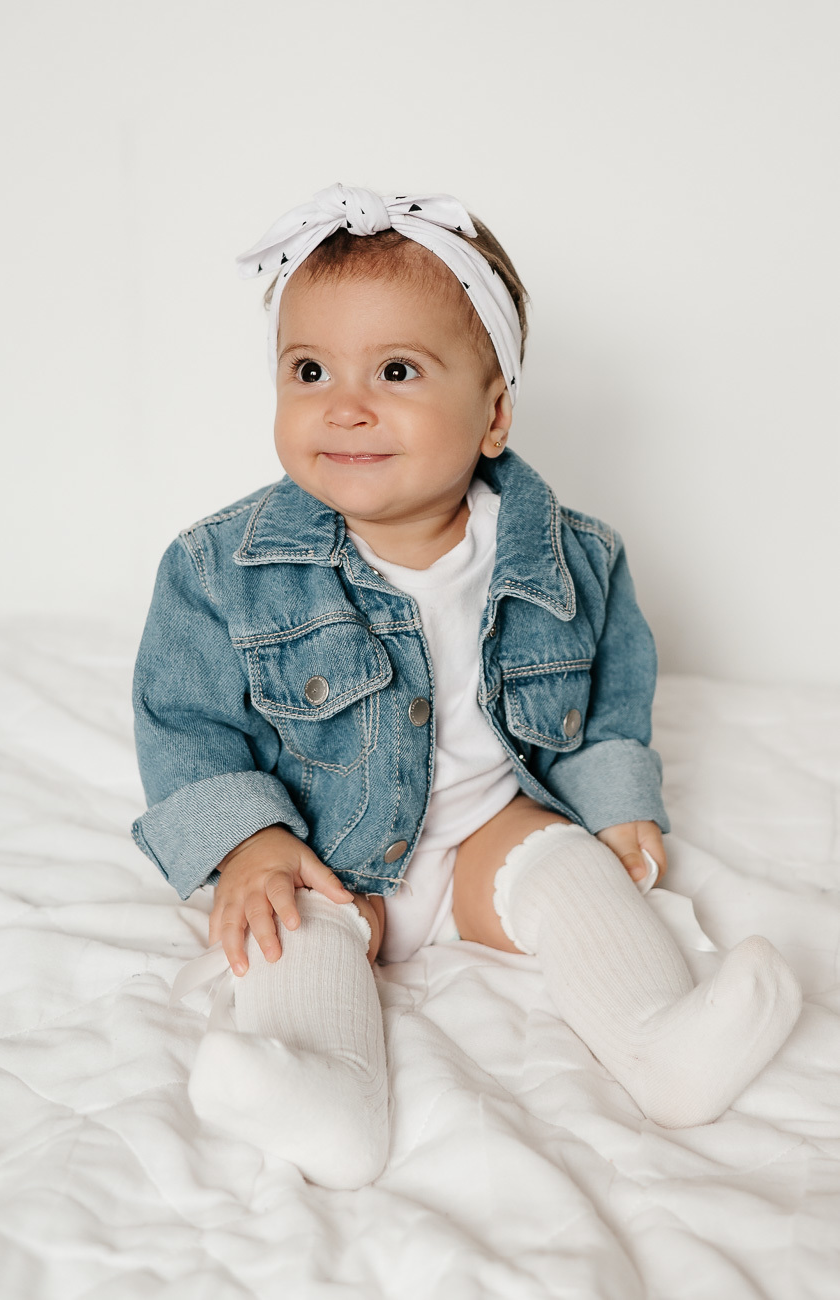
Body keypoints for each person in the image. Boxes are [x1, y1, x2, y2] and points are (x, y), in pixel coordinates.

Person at [131, 183, 802, 1190]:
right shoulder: (220, 569)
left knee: (571, 867)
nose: (344, 404)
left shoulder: (568, 556)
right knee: (285, 925)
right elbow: (185, 722)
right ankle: (325, 1093)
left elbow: (610, 694)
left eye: (395, 370)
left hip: (487, 833)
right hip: (327, 849)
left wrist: (615, 803)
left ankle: (663, 1040)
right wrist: (249, 843)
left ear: (492, 415)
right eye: (309, 370)